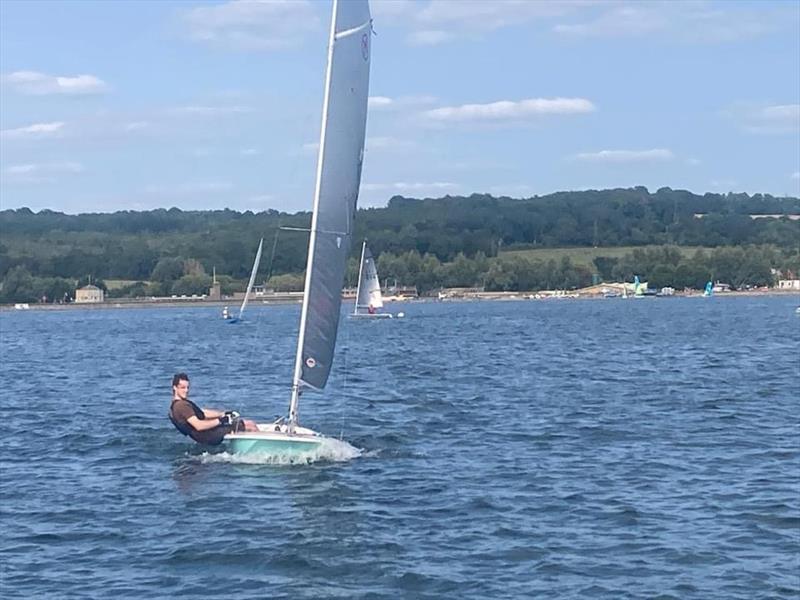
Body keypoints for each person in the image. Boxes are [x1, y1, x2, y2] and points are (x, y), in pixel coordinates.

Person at [168, 372, 258, 446]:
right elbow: (198, 426)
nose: (186, 390)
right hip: (208, 435)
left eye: (188, 387)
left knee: (244, 424)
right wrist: (221, 421)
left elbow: (202, 413)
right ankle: (259, 449)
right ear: (175, 388)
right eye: (183, 388)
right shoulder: (181, 406)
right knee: (250, 425)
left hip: (204, 435)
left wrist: (223, 414)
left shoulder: (177, 405)